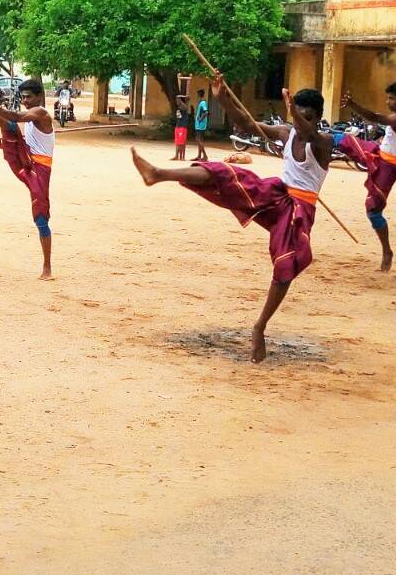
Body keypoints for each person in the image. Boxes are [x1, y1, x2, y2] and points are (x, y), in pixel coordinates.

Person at [132, 77, 330, 363]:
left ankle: (259, 327)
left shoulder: (322, 142)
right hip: (275, 193)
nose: (300, 122)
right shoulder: (286, 133)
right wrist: (222, 98)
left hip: (299, 209)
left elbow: (309, 134)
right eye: (298, 114)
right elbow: (250, 126)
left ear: (317, 118)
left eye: (306, 117)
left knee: (286, 264)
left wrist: (296, 114)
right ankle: (159, 174)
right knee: (223, 174)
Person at [0, 78, 55, 280]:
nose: (25, 100)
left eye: (29, 97)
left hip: (40, 169)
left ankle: (47, 267)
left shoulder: (41, 113)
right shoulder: (30, 118)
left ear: (39, 97)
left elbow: (16, 116)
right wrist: (3, 144)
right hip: (27, 162)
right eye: (23, 97)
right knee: (10, 130)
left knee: (40, 216)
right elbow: (24, 143)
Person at [336, 80, 396, 271]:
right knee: (343, 140)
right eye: (387, 98)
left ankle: (387, 251)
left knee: (373, 210)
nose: (388, 102)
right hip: (379, 153)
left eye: (392, 99)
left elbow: (375, 117)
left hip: (389, 167)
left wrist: (353, 104)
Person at [172, 94, 191, 161]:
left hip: (182, 127)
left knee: (182, 143)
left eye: (178, 100)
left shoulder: (184, 107)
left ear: (180, 100)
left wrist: (185, 98)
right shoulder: (179, 107)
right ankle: (177, 156)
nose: (176, 101)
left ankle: (182, 157)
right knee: (177, 142)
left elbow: (177, 96)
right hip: (178, 126)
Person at [193, 88, 210, 162]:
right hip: (199, 124)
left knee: (198, 139)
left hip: (200, 124)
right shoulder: (201, 102)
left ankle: (205, 156)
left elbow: (206, 112)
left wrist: (200, 119)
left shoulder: (203, 103)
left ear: (199, 95)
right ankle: (199, 156)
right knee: (200, 140)